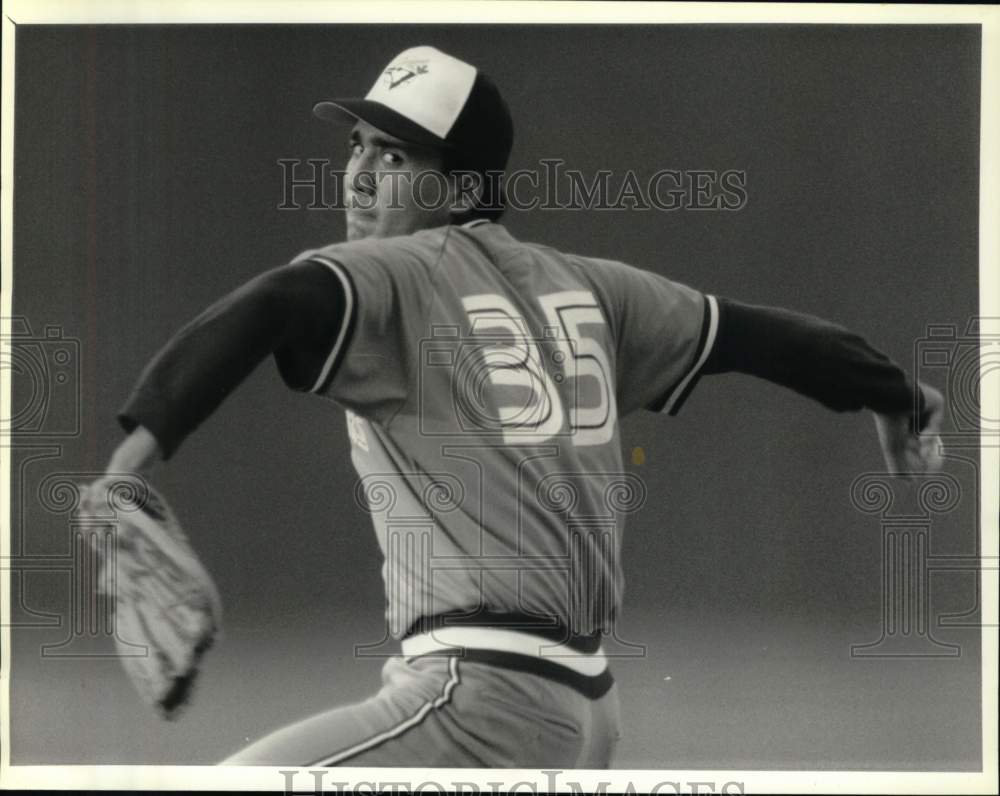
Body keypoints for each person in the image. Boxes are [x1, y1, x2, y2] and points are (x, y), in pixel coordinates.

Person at [106, 45, 944, 767]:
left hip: (478, 700)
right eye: (357, 147)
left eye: (393, 158)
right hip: (587, 708)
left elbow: (271, 304)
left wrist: (130, 461)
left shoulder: (394, 272)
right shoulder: (595, 286)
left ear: (462, 183)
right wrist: (896, 394)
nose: (357, 176)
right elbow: (762, 337)